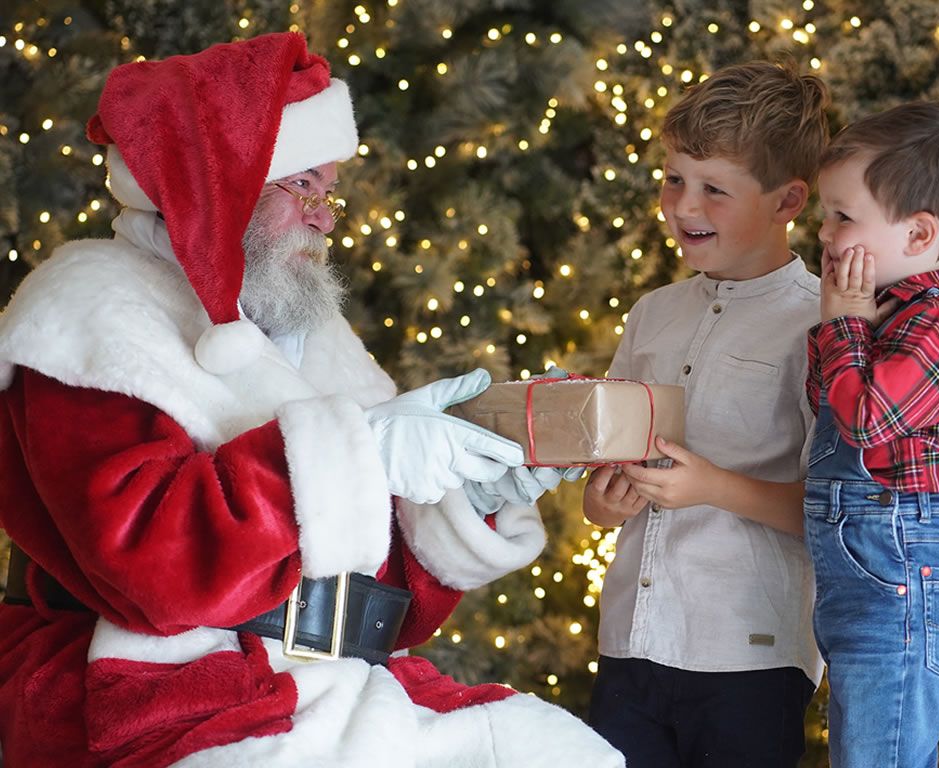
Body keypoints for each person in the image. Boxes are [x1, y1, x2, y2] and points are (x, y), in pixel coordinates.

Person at [0, 32, 624, 768]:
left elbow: (386, 607)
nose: (326, 216)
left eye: (329, 192)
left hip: (322, 683)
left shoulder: (304, 329)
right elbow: (148, 575)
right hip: (145, 690)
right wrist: (368, 451)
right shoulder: (91, 308)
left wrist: (464, 494)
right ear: (221, 184)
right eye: (303, 186)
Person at [582, 61, 829, 767]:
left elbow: (834, 510)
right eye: (673, 179)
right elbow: (607, 480)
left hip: (748, 659)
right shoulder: (652, 314)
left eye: (714, 189)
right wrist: (604, 503)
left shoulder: (819, 324)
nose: (683, 206)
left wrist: (710, 487)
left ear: (787, 201)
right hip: (631, 644)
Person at [804, 101, 939, 767]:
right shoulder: (886, 313)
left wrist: (844, 326)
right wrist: (846, 323)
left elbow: (865, 420)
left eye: (843, 217)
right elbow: (824, 409)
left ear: (918, 235)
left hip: (902, 584)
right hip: (863, 585)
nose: (825, 234)